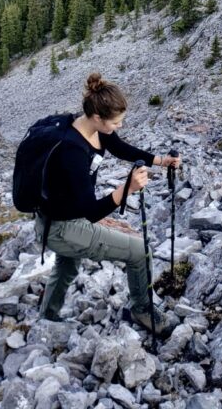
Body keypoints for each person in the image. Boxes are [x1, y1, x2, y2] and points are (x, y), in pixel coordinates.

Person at [33, 72, 181, 334]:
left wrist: (160, 161)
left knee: (67, 265)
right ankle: (142, 310)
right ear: (98, 117)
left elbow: (122, 148)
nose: (119, 126)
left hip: (57, 219)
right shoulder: (72, 151)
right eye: (116, 122)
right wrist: (127, 189)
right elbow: (91, 211)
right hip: (62, 227)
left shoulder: (91, 128)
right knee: (138, 251)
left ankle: (48, 317)